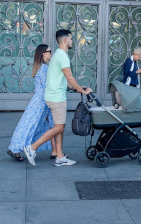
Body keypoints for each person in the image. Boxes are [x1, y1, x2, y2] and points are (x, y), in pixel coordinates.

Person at [23, 29, 93, 167]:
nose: (72, 41)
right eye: (71, 39)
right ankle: (32, 148)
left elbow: (63, 80)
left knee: (59, 127)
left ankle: (60, 157)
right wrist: (83, 92)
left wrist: (76, 88)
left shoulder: (57, 55)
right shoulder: (62, 56)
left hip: (54, 96)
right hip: (56, 98)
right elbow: (70, 77)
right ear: (65, 40)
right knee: (59, 127)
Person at [7, 44, 57, 162]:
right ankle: (15, 148)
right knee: (31, 126)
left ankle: (56, 151)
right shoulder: (44, 68)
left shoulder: (40, 67)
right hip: (42, 102)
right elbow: (47, 87)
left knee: (44, 125)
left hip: (40, 102)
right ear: (43, 54)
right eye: (49, 51)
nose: (51, 53)